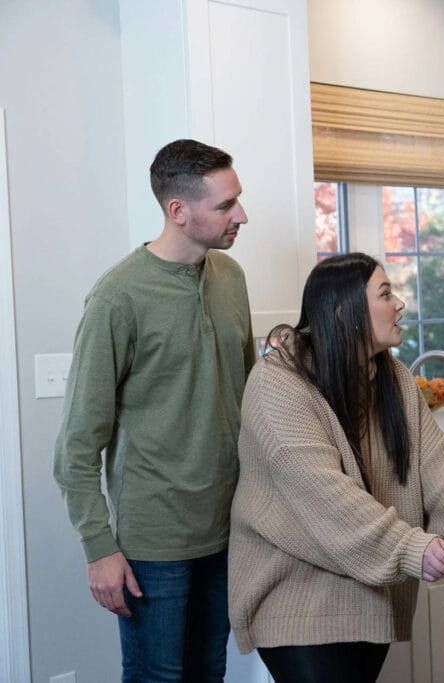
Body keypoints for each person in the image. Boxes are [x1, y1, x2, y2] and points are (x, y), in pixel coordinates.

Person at [228, 252, 444, 682]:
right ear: (342, 311)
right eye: (385, 294)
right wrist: (411, 548)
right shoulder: (278, 382)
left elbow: (438, 470)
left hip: (368, 600)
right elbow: (325, 498)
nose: (400, 304)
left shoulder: (394, 379)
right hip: (299, 599)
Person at [52, 139, 255, 682]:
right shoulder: (117, 297)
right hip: (152, 545)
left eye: (238, 200)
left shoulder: (231, 280)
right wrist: (100, 549)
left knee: (208, 673)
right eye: (225, 206)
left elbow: (248, 400)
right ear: (178, 211)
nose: (241, 215)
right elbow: (75, 445)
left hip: (229, 529)